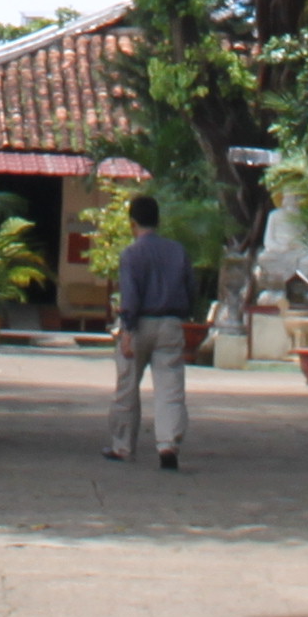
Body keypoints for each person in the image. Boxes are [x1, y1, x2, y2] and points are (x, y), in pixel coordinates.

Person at [104, 194, 201, 469]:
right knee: (170, 387)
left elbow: (130, 297)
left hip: (139, 324)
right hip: (170, 323)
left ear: (132, 223)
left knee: (127, 387)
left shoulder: (131, 253)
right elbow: (191, 288)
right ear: (158, 220)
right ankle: (168, 443)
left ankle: (123, 446)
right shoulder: (177, 251)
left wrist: (127, 331)